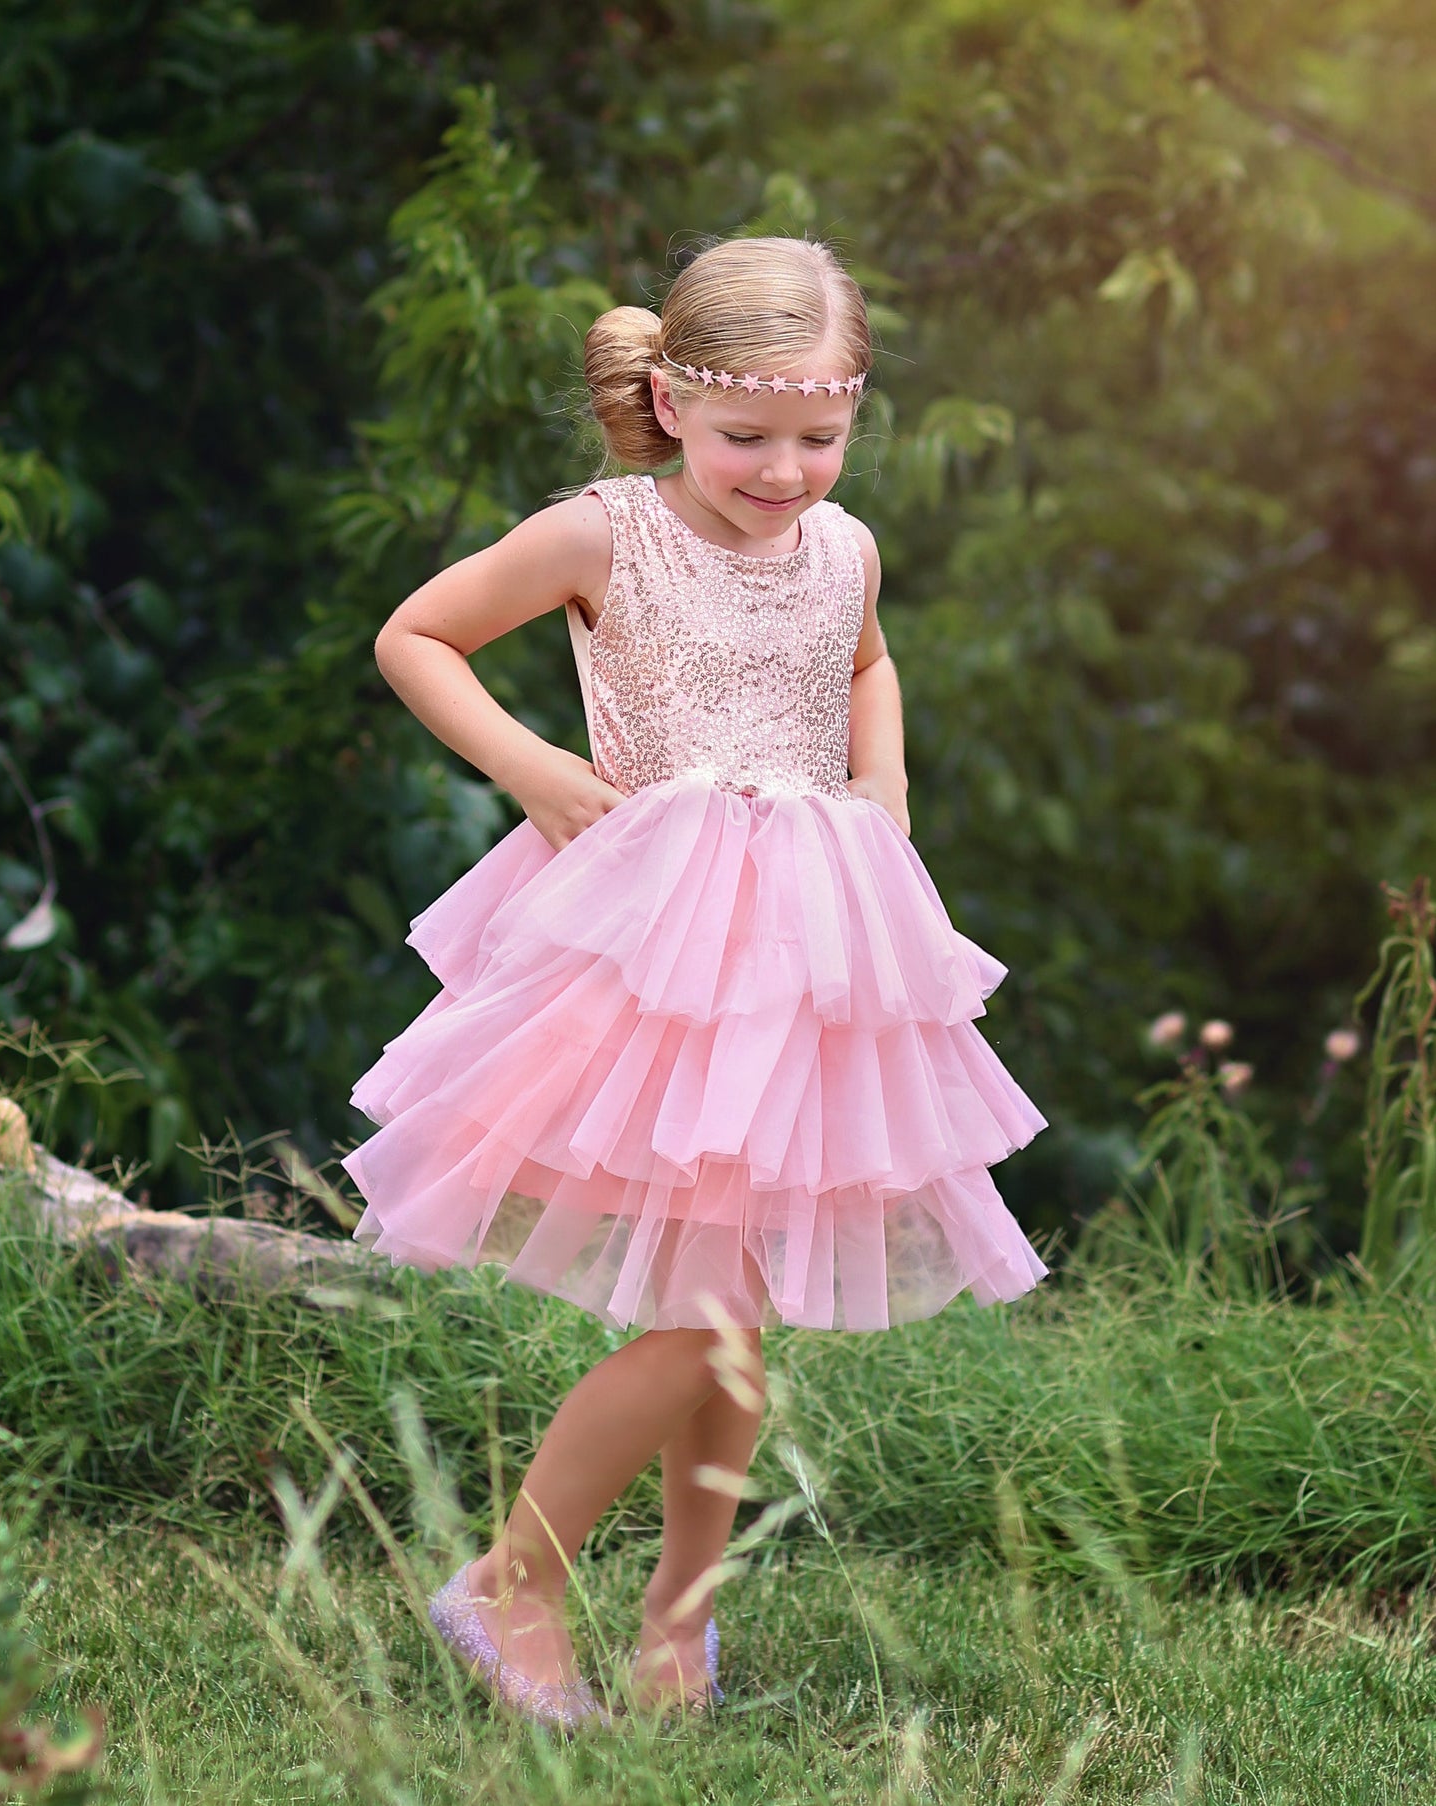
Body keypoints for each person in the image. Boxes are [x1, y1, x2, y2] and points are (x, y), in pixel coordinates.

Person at [341, 235, 1049, 1731]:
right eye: (747, 436)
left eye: (820, 434)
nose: (785, 470)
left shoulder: (844, 545)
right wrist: (533, 769)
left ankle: (682, 1620)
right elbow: (416, 635)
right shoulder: (605, 535)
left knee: (745, 1296)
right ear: (667, 401)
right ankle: (509, 1582)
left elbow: (862, 662)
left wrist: (882, 776)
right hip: (659, 945)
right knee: (711, 1309)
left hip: (805, 939)